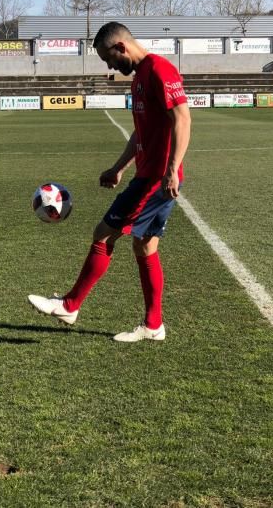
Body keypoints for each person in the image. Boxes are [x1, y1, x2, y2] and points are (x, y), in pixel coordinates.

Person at [28, 22, 191, 342]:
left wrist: (172, 168)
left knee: (103, 235)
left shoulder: (160, 69)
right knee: (145, 246)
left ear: (121, 47)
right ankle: (154, 325)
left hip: (155, 179)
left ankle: (70, 305)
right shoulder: (138, 80)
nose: (110, 66)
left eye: (109, 58)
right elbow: (141, 133)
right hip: (149, 175)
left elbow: (183, 117)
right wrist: (118, 168)